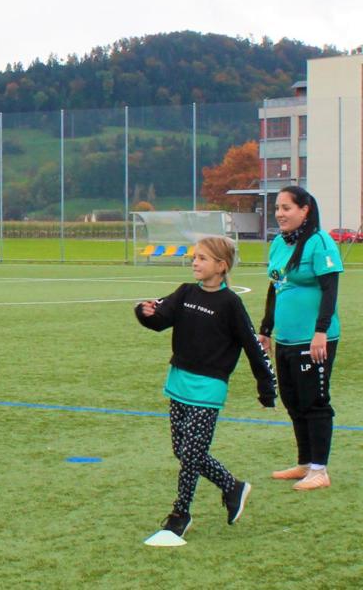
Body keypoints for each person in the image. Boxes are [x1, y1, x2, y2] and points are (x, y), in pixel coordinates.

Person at [135, 236, 276, 538]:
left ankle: (180, 514)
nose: (195, 262)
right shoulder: (185, 293)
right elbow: (160, 319)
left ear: (221, 266)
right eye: (194, 257)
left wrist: (266, 387)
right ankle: (232, 487)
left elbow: (253, 346)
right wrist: (144, 313)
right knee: (182, 450)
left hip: (209, 389)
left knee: (192, 453)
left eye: (202, 258)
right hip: (179, 382)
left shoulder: (230, 304)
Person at [258, 185, 343, 491]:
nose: (280, 214)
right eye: (277, 208)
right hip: (287, 339)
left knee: (314, 401)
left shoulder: (321, 243)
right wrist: (266, 329)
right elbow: (275, 286)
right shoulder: (279, 244)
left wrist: (320, 332)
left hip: (314, 339)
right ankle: (305, 463)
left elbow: (330, 289)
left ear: (304, 210)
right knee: (293, 400)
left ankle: (320, 470)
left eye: (286, 208)